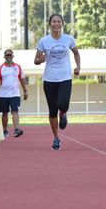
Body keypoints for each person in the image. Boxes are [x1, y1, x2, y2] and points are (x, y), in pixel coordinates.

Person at [34, 14, 81, 151]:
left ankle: (64, 113)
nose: (56, 24)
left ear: (62, 24)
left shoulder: (69, 39)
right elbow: (36, 60)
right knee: (52, 111)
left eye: (58, 22)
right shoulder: (44, 41)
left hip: (65, 77)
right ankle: (56, 138)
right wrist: (41, 59)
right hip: (49, 79)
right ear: (50, 24)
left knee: (63, 104)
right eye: (54, 22)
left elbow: (76, 53)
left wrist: (78, 67)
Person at [0, 49, 28, 138]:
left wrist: (25, 90)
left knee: (15, 111)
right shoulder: (0, 68)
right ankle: (5, 130)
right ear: (4, 57)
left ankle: (17, 129)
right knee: (4, 113)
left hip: (15, 93)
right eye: (7, 55)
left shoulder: (18, 67)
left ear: (13, 56)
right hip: (3, 94)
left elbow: (22, 79)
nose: (8, 57)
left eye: (10, 55)